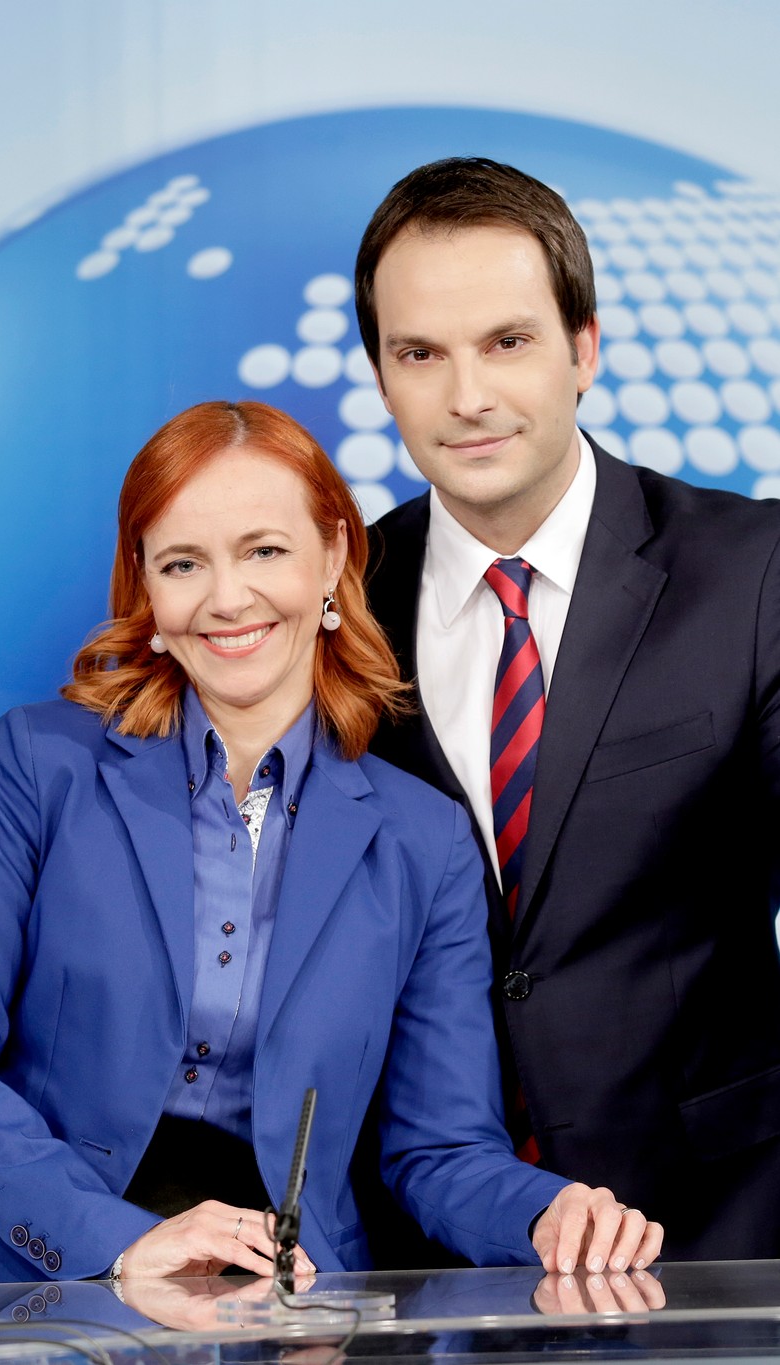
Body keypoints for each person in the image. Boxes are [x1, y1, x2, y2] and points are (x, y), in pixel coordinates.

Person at [0, 400, 661, 1288]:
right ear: (146, 586)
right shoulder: (39, 763)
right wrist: (116, 1242)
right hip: (4, 1280)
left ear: (332, 556)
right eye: (183, 563)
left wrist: (548, 1212)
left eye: (264, 551)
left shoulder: (424, 839)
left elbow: (439, 1147)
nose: (227, 598)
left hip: (282, 1302)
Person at [357, 156, 780, 1261]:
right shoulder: (336, 604)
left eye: (507, 342)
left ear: (584, 348)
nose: (467, 396)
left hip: (718, 1234)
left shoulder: (752, 572)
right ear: (381, 378)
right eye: (420, 353)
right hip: (426, 1254)